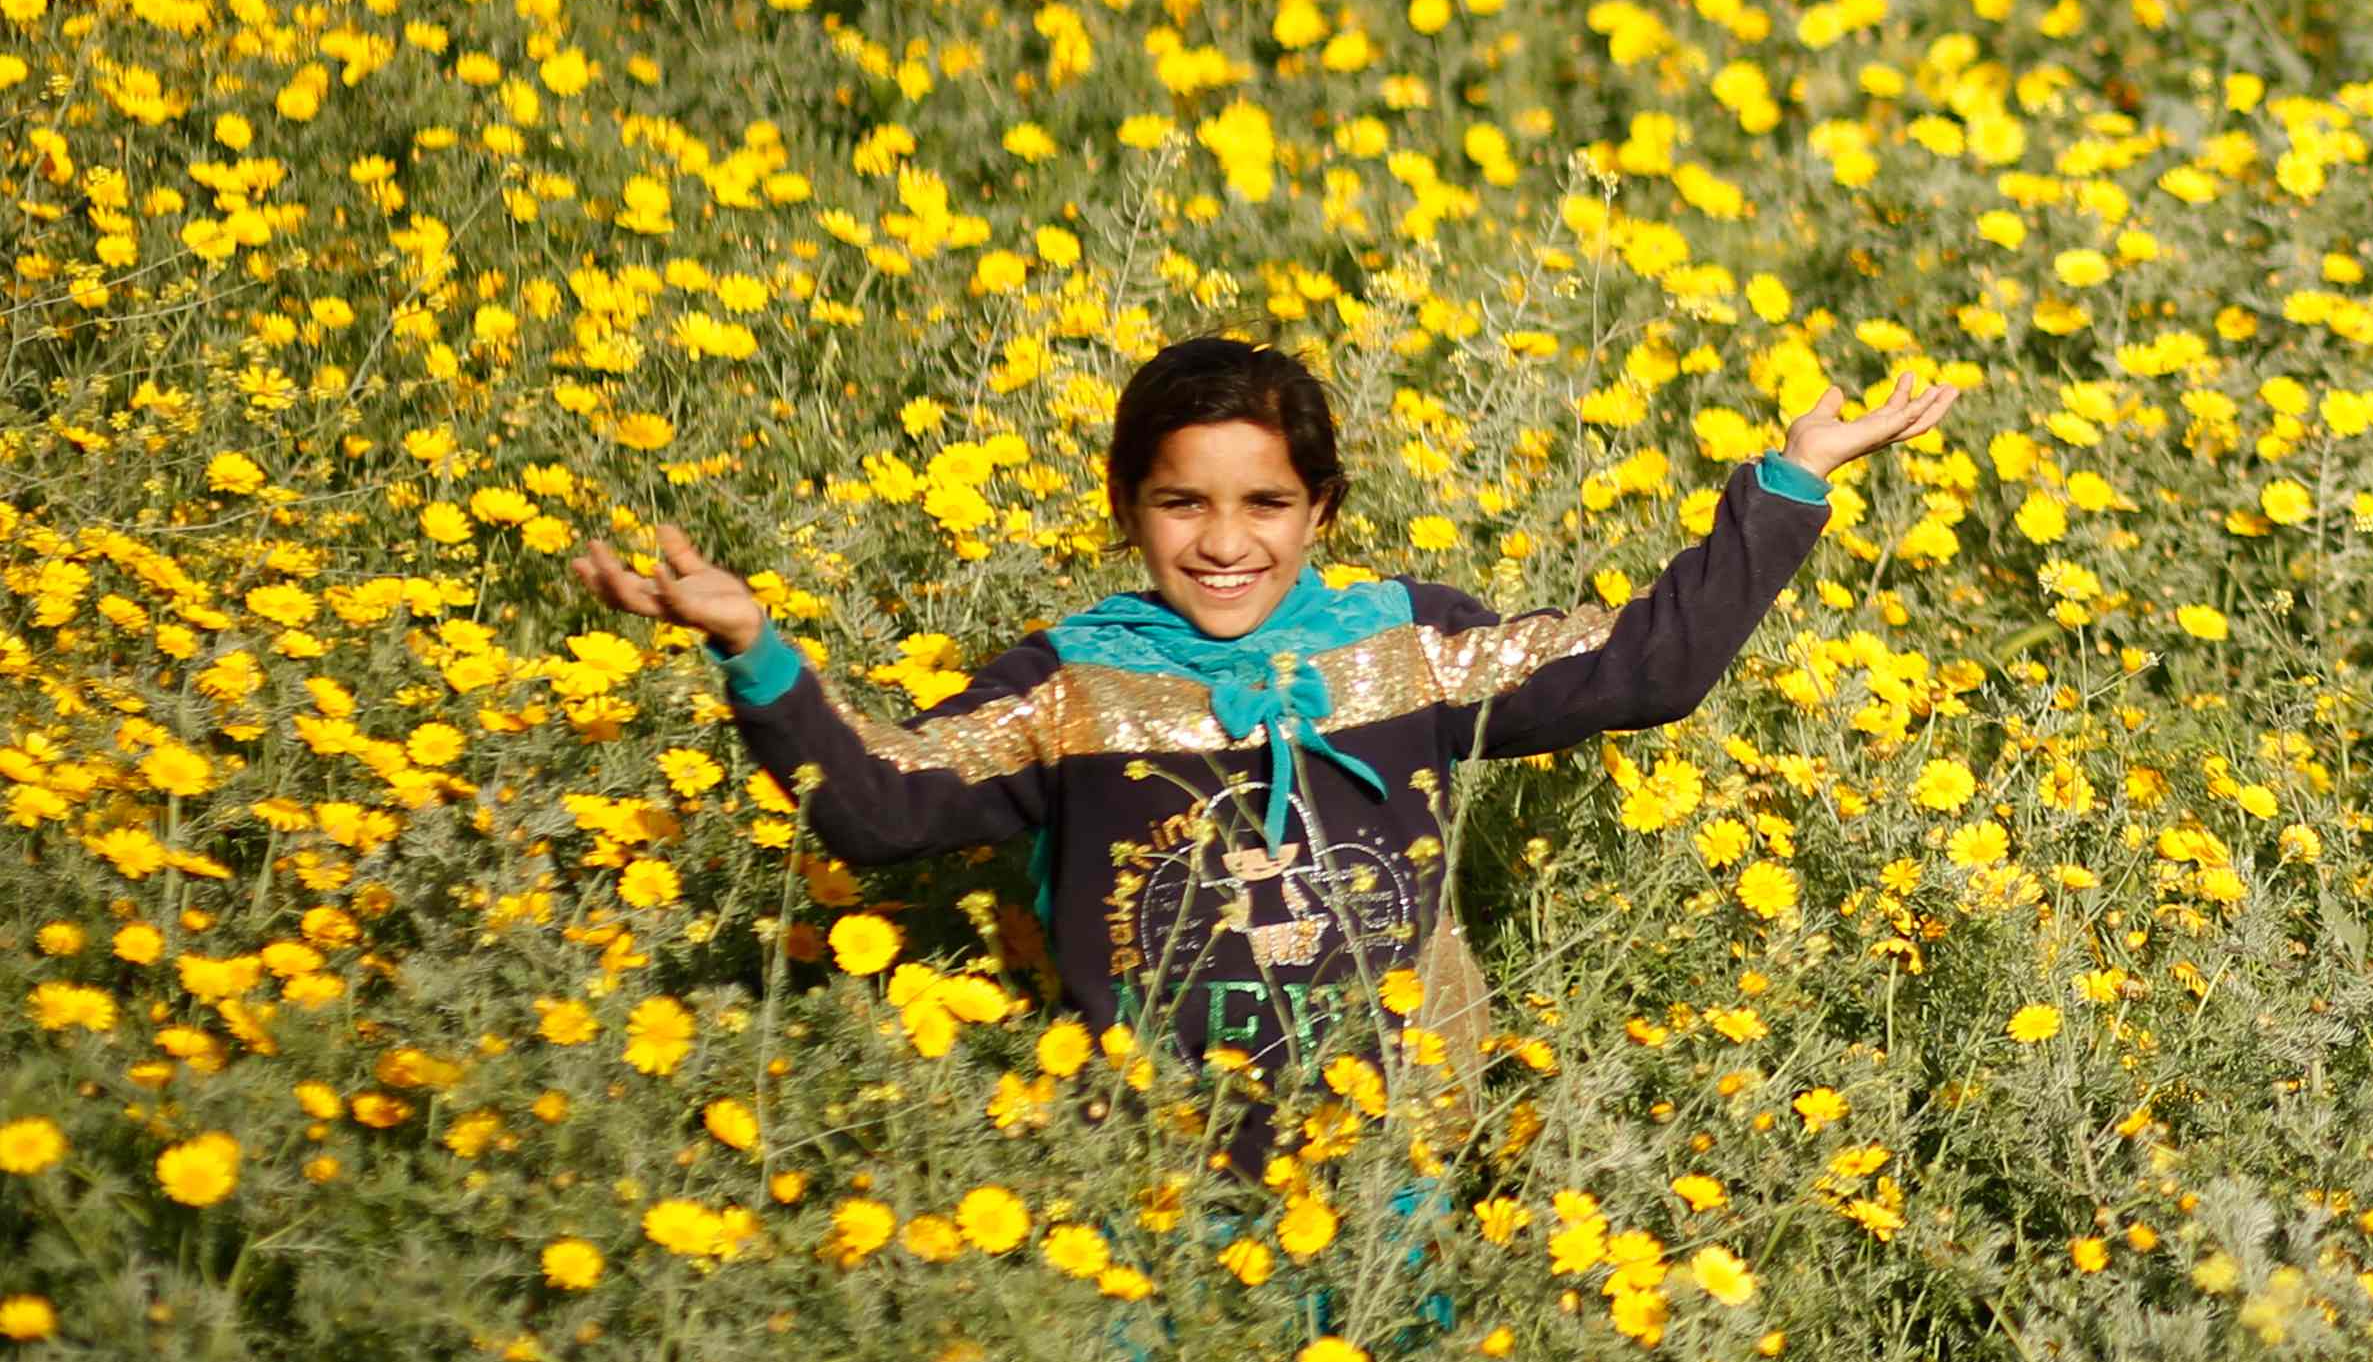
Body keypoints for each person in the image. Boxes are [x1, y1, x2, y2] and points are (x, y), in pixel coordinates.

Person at [570, 332, 1955, 1167]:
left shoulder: (1400, 644)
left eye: (1264, 502)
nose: (1224, 540)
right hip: (1156, 1163)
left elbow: (1648, 665)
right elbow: (875, 806)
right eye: (1182, 501)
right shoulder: (1075, 683)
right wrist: (753, 645)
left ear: (1322, 504)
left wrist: (1790, 479)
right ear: (1127, 504)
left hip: (1395, 1148)